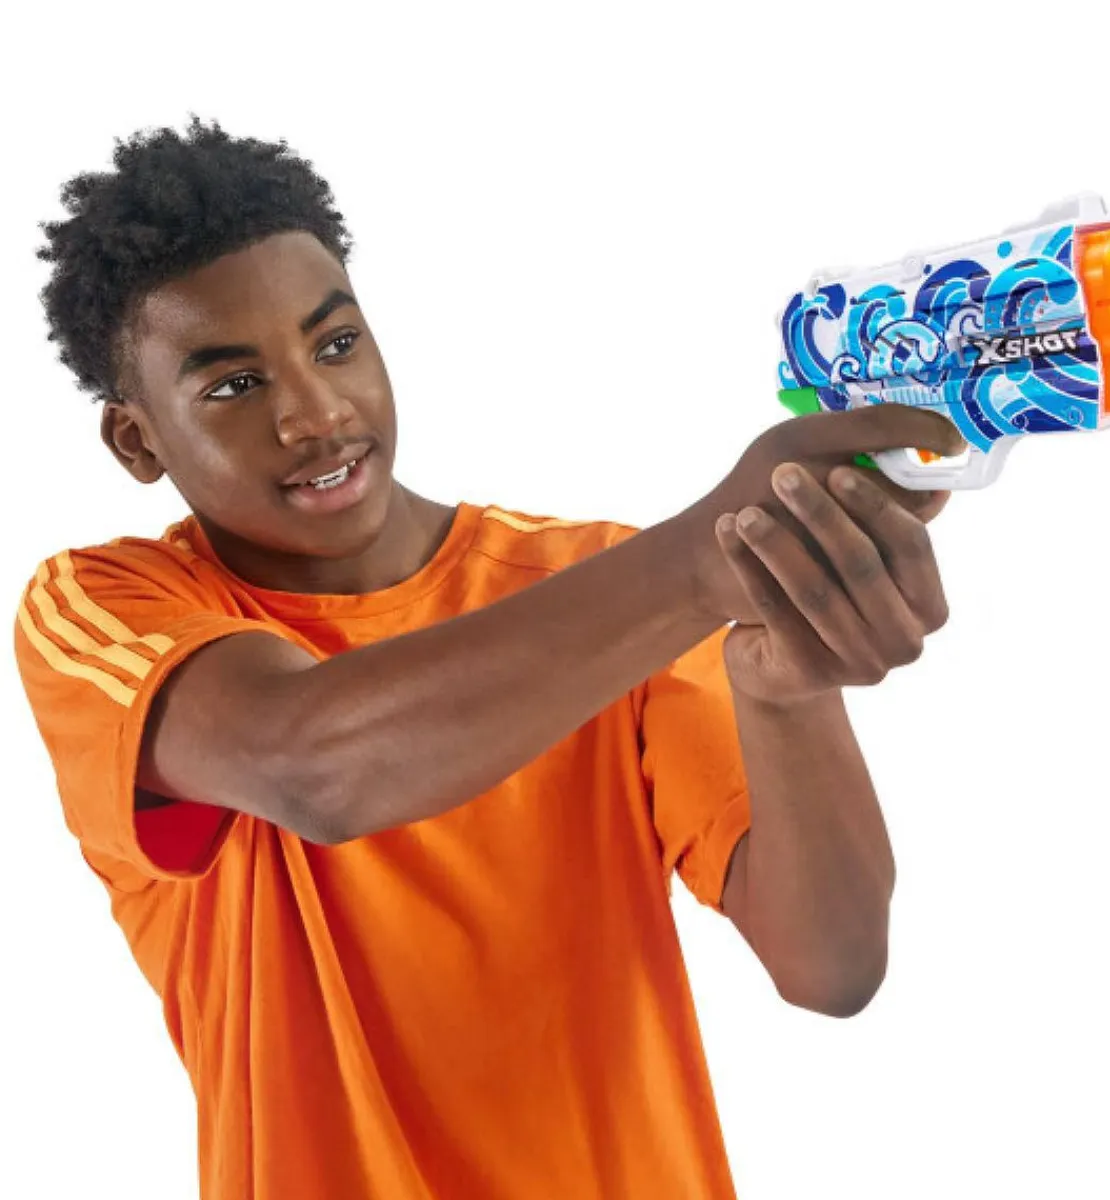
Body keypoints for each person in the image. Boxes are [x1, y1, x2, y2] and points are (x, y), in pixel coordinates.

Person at [14, 117, 965, 1200]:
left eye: (337, 344)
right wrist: (708, 563)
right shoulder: (106, 611)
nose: (317, 413)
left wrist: (784, 692)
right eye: (234, 387)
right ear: (136, 441)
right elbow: (311, 766)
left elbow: (832, 966)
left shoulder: (609, 590)